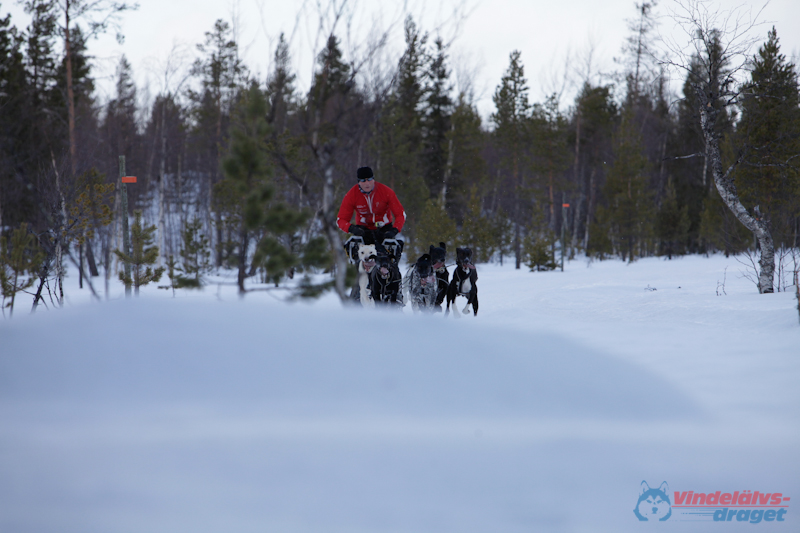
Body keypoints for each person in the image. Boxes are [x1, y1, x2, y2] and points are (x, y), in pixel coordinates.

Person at [337, 166, 406, 247]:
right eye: (363, 180)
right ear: (358, 182)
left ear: (373, 179)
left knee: (390, 252)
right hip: (362, 230)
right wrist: (351, 228)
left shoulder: (386, 192)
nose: (367, 183)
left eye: (369, 179)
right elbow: (341, 220)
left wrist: (395, 230)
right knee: (354, 249)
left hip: (385, 229)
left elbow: (400, 214)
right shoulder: (351, 195)